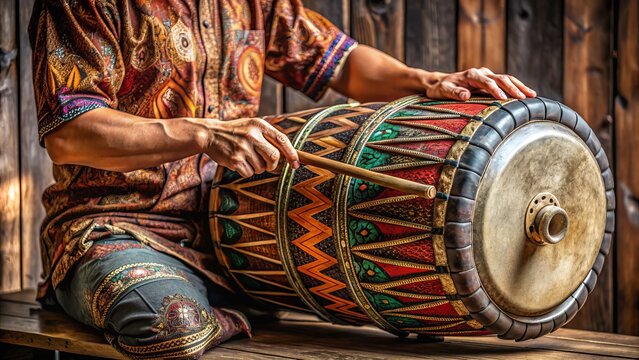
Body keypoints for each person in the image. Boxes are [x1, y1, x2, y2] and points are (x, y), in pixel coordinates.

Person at [29, 0, 536, 358]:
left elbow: (344, 64)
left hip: (233, 235)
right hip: (114, 229)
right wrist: (203, 134)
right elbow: (71, 135)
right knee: (172, 327)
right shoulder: (79, 4)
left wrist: (426, 81)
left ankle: (231, 302)